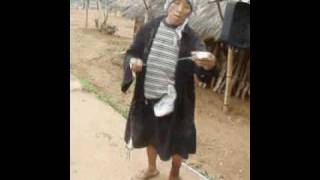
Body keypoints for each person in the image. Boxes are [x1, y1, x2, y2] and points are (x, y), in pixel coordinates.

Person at [121, 0, 215, 179]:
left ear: (190, 12)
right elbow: (132, 53)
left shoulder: (191, 38)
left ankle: (174, 173)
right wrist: (133, 63)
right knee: (149, 133)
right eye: (176, 3)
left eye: (186, 6)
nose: (180, 10)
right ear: (167, 5)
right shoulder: (149, 29)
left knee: (179, 140)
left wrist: (209, 65)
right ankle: (151, 168)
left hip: (178, 102)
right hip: (148, 96)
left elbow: (204, 70)